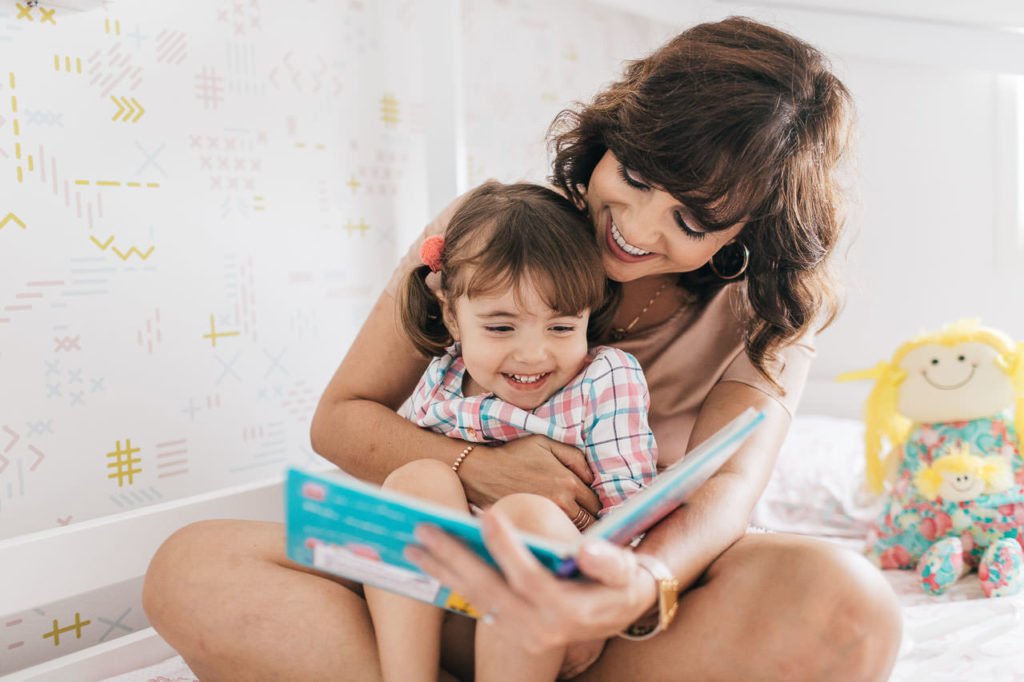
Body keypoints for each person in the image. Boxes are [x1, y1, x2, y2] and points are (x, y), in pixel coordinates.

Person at [143, 16, 903, 681]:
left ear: (750, 230)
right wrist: (483, 468)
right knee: (192, 569)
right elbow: (341, 418)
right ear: (612, 135)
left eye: (692, 222)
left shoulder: (775, 307)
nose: (637, 228)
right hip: (440, 582)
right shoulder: (494, 233)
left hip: (631, 601)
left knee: (850, 607)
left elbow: (725, 492)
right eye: (633, 177)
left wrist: (637, 584)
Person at [369, 181, 657, 682]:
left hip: (554, 595)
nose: (532, 354)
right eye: (501, 328)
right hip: (455, 587)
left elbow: (627, 511)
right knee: (415, 479)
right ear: (452, 318)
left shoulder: (605, 379)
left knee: (526, 514)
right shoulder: (441, 379)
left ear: (589, 318)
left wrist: (599, 605)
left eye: (562, 328)